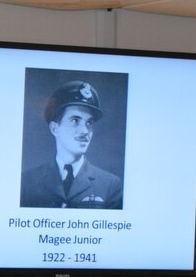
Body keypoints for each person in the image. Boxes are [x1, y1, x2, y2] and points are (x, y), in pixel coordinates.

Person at [20, 80, 123, 209]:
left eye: (89, 123)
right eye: (75, 120)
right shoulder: (28, 181)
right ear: (54, 129)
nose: (85, 131)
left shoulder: (110, 185)